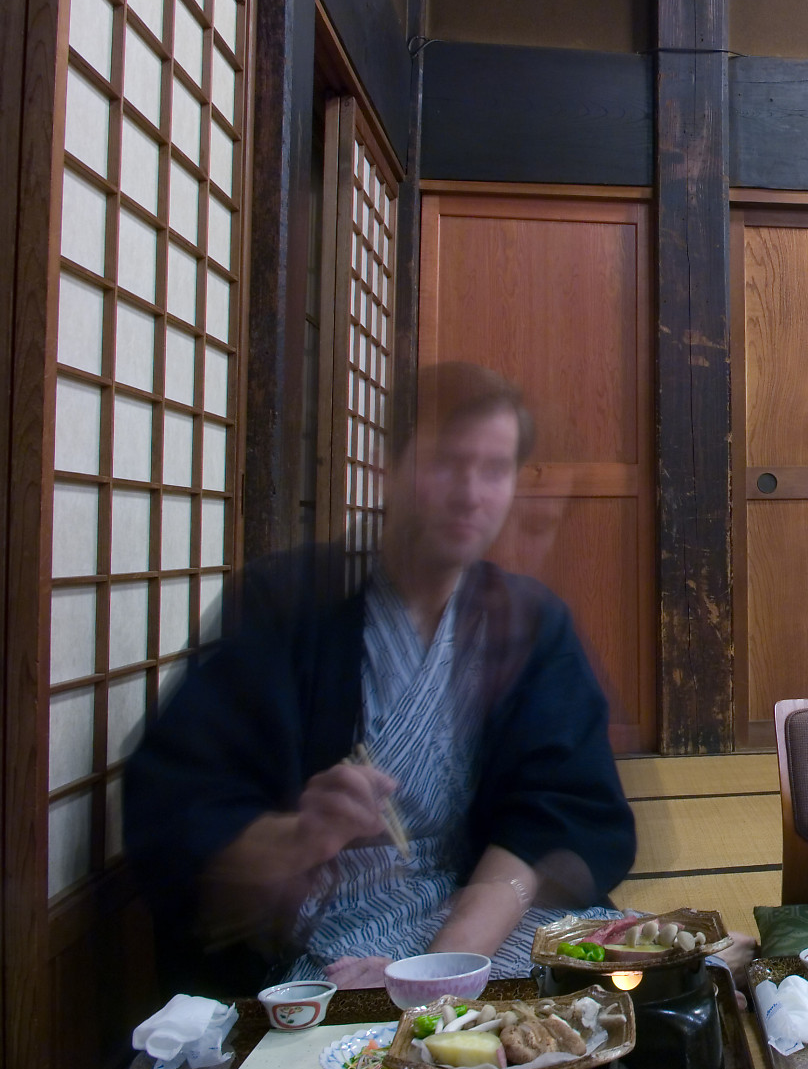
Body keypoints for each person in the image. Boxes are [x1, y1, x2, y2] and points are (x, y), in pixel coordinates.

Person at [126, 363, 638, 995]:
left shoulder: (531, 622)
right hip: (326, 931)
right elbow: (181, 808)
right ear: (388, 466)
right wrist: (298, 835)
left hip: (478, 911)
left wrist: (439, 972)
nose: (471, 493)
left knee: (638, 970)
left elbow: (553, 816)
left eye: (495, 469)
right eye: (447, 462)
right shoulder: (286, 604)